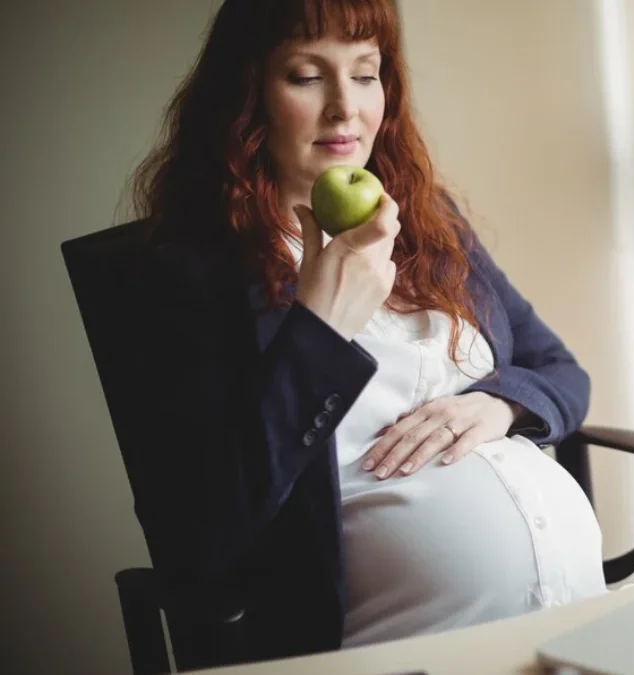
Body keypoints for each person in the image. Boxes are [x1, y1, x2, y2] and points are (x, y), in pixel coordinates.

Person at [121, 0, 606, 664]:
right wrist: (320, 327)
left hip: (569, 636)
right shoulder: (190, 274)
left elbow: (560, 370)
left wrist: (498, 403)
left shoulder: (428, 221)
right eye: (306, 75)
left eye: (366, 72)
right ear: (249, 91)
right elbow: (200, 537)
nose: (345, 108)